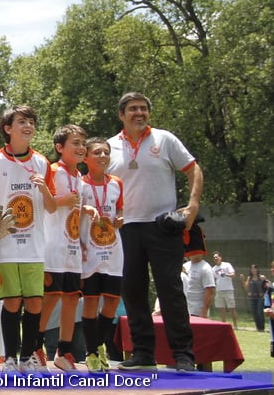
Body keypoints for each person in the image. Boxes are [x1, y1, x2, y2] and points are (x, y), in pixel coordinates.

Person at [107, 92, 203, 373]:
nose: (140, 113)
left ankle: (184, 354)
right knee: (133, 293)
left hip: (163, 226)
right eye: (133, 109)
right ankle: (143, 353)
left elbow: (193, 169)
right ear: (121, 115)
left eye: (144, 108)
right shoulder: (109, 147)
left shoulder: (165, 139)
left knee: (170, 290)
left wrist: (192, 205)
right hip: (125, 228)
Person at [0, 105, 57, 373]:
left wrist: (46, 189)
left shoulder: (42, 162)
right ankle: (10, 359)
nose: (29, 126)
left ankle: (28, 358)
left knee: (35, 302)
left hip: (34, 247)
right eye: (22, 122)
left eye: (32, 122)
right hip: (5, 246)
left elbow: (52, 207)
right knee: (12, 302)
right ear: (7, 129)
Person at [37, 124, 88, 372]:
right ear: (60, 147)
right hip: (53, 246)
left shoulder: (80, 176)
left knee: (71, 299)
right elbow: (44, 204)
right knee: (50, 297)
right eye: (75, 143)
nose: (81, 148)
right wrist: (62, 200)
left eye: (83, 143)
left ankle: (63, 350)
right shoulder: (53, 171)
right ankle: (34, 346)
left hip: (72, 248)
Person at [79, 137, 124, 373]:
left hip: (113, 250)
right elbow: (72, 218)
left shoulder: (116, 182)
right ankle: (91, 352)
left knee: (113, 302)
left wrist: (120, 218)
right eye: (97, 152)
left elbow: (120, 210)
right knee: (91, 302)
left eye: (106, 152)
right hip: (90, 252)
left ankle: (99, 346)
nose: (103, 156)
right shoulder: (80, 184)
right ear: (85, 157)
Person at [212, 251, 238, 329]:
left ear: (220, 257)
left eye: (216, 257)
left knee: (231, 309)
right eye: (214, 258)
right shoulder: (213, 269)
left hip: (228, 290)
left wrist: (225, 274)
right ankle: (223, 325)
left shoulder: (227, 265)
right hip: (219, 291)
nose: (215, 258)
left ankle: (235, 326)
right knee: (221, 309)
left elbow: (233, 275)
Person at [183, 253, 215, 318]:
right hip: (184, 309)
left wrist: (204, 311)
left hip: (197, 311)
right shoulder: (185, 266)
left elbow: (210, 291)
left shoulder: (205, 268)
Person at [241, 264, 268, 332]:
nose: (253, 270)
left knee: (259, 312)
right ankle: (258, 327)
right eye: (252, 269)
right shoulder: (249, 278)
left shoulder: (262, 277)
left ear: (257, 269)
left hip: (260, 298)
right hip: (252, 298)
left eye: (255, 268)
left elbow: (267, 286)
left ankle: (262, 328)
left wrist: (263, 292)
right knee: (254, 313)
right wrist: (243, 280)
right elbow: (246, 288)